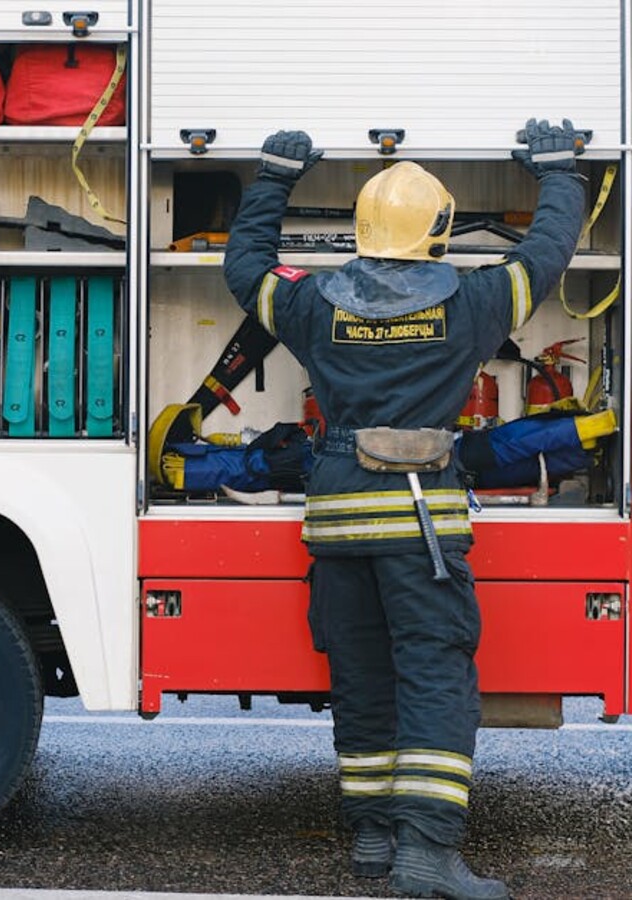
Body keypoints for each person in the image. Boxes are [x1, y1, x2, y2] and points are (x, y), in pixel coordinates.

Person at [222, 120, 587, 900]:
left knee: (361, 681)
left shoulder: (312, 305)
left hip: (336, 524)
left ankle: (373, 836)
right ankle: (427, 851)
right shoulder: (474, 304)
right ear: (439, 232)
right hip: (420, 530)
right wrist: (559, 174)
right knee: (434, 680)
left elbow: (245, 265)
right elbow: (545, 256)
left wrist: (274, 178)